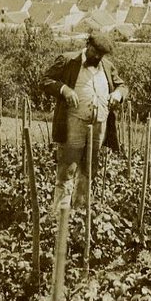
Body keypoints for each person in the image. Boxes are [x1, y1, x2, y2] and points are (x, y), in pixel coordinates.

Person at [41, 32, 128, 213]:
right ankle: (60, 214)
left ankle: (80, 210)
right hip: (74, 121)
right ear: (87, 45)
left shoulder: (107, 66)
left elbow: (123, 86)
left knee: (89, 169)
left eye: (101, 55)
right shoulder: (68, 60)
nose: (97, 57)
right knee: (68, 168)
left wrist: (118, 95)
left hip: (99, 125)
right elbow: (45, 80)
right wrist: (64, 90)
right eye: (95, 52)